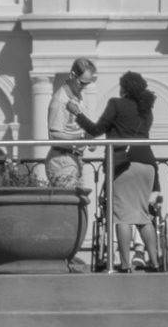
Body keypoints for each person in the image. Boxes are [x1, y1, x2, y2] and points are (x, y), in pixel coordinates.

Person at [89, 70, 161, 270]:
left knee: (123, 217)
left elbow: (98, 128)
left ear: (124, 88)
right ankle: (155, 262)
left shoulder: (116, 104)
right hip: (148, 164)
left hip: (124, 164)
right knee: (143, 216)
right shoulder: (146, 110)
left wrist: (78, 116)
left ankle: (125, 263)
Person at [44, 57, 100, 270]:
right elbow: (54, 135)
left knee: (76, 210)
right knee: (66, 212)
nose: (85, 86)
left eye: (88, 83)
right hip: (62, 159)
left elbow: (75, 127)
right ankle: (60, 259)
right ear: (72, 75)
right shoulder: (60, 100)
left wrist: (87, 137)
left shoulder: (76, 96)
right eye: (83, 82)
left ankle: (67, 257)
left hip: (74, 158)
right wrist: (80, 139)